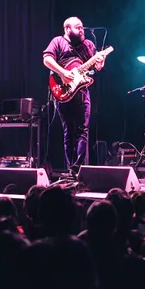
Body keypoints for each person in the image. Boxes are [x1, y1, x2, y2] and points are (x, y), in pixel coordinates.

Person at [43, 17, 105, 174]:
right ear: (67, 29)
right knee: (68, 131)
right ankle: (71, 168)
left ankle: (77, 168)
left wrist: (99, 63)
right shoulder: (58, 41)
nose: (82, 30)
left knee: (83, 130)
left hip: (82, 92)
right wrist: (63, 72)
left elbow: (95, 69)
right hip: (62, 90)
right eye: (78, 27)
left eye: (82, 27)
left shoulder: (88, 45)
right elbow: (47, 59)